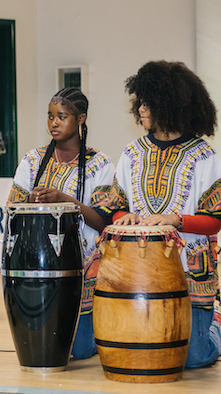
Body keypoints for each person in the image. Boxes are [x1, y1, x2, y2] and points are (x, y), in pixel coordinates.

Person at [94, 60, 221, 368]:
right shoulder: (132, 153)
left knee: (194, 358)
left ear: (170, 104)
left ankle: (217, 324)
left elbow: (215, 221)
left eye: (148, 102)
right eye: (140, 101)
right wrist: (124, 217)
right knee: (147, 349)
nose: (141, 108)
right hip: (139, 270)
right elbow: (115, 207)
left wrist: (176, 219)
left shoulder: (204, 156)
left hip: (191, 273)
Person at [7, 87, 115, 359]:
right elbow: (11, 211)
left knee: (81, 349)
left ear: (80, 119)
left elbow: (103, 222)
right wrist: (31, 201)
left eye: (62, 116)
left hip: (85, 266)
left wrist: (65, 201)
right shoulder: (32, 160)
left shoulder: (99, 164)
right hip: (38, 265)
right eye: (50, 116)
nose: (54, 123)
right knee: (48, 344)